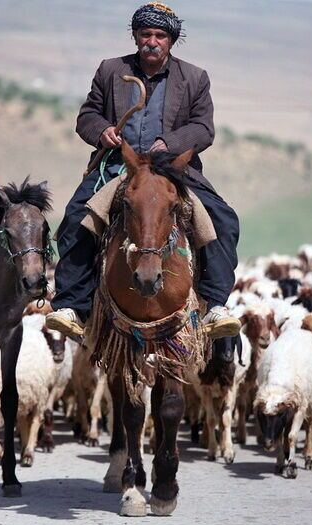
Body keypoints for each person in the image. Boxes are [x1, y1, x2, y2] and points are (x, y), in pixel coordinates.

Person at [46, 2, 240, 338]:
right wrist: (103, 131)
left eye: (159, 35)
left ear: (171, 40)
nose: (152, 41)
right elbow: (88, 116)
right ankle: (73, 307)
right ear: (135, 36)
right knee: (77, 217)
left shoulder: (194, 77)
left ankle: (215, 306)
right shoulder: (111, 70)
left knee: (223, 219)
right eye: (145, 34)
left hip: (172, 170)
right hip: (120, 166)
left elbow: (203, 128)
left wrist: (171, 142)